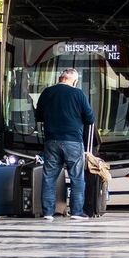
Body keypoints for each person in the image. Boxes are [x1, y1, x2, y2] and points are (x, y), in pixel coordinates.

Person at [35, 68, 95, 223]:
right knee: (77, 177)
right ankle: (76, 211)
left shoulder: (47, 92)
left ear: (61, 78)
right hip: (73, 141)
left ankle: (48, 212)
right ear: (74, 81)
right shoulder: (78, 94)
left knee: (49, 177)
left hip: (51, 140)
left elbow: (38, 116)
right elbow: (90, 118)